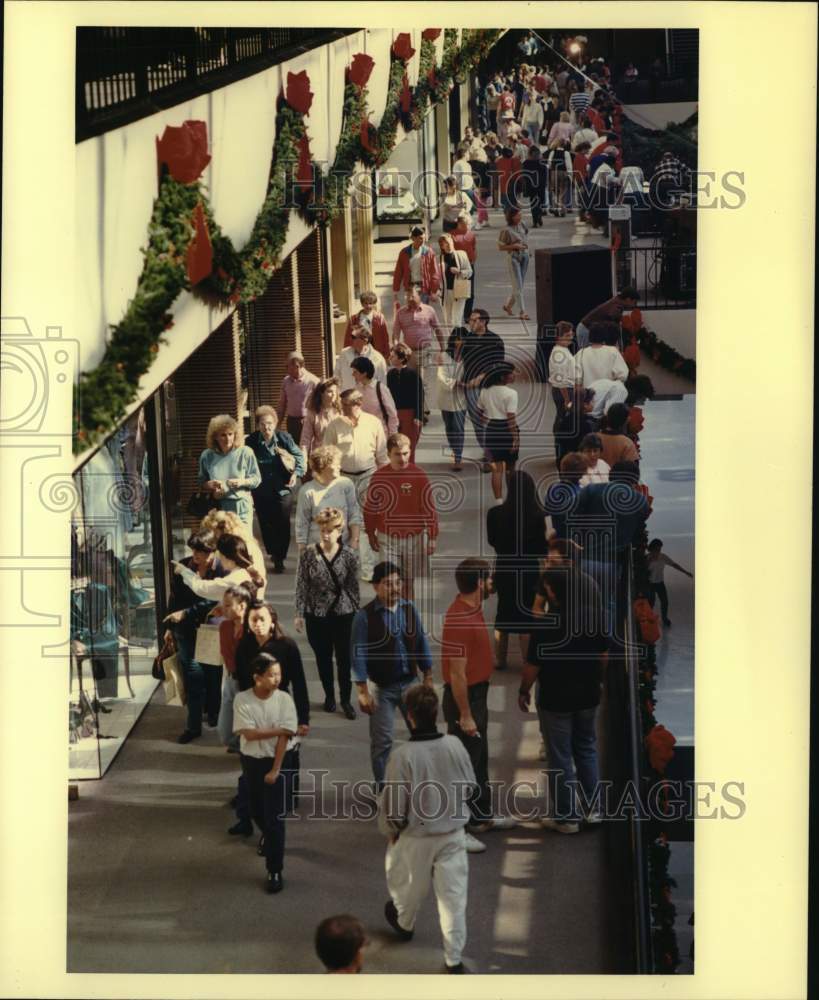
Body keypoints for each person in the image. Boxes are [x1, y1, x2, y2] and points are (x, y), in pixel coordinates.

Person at [379, 685, 476, 973]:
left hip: (417, 835)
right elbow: (470, 785)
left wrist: (393, 829)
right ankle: (453, 958)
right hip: (453, 834)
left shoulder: (403, 755)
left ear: (409, 716)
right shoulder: (455, 745)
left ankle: (405, 923)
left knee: (407, 886)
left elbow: (395, 802)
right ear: (436, 713)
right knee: (453, 898)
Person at [519, 566, 608, 832]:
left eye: (547, 589)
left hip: (555, 699)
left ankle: (566, 816)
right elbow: (603, 655)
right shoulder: (595, 618)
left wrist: (524, 690)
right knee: (587, 748)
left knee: (560, 756)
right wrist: (597, 680)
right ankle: (593, 809)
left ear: (554, 592)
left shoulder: (547, 625)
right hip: (588, 695)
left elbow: (533, 666)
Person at [440, 558, 517, 846]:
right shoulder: (460, 619)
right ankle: (456, 831)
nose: (491, 583)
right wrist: (465, 714)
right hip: (466, 698)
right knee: (463, 765)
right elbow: (457, 674)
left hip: (476, 695)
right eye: (487, 579)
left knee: (479, 759)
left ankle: (481, 816)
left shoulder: (472, 607)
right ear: (478, 583)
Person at [350, 561, 434, 787]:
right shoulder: (364, 617)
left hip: (411, 685)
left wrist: (428, 677)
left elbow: (421, 643)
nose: (395, 588)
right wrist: (362, 692)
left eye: (398, 583)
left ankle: (423, 785)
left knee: (423, 735)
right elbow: (357, 656)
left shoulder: (409, 609)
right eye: (389, 584)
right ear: (376, 587)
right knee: (383, 742)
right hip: (381, 688)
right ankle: (383, 790)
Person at [233, 652, 298, 893]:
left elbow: (285, 737)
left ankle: (275, 869)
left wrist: (276, 769)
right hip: (252, 761)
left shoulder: (284, 700)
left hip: (279, 761)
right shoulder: (242, 700)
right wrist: (278, 729)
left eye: (279, 674)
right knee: (254, 810)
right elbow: (247, 734)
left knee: (274, 818)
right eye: (271, 675)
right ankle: (269, 838)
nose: (277, 679)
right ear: (257, 677)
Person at [295, 507, 360, 717]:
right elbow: (301, 584)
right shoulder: (308, 555)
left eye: (330, 530)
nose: (325, 533)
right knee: (323, 658)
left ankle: (346, 700)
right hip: (317, 614)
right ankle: (329, 696)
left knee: (344, 660)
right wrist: (299, 612)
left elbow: (353, 587)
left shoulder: (349, 555)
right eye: (322, 529)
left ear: (339, 530)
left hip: (344, 613)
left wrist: (357, 613)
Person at [163, 532, 223, 744]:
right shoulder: (183, 566)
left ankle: (215, 712)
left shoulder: (221, 569)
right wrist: (170, 626)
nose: (196, 556)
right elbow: (175, 598)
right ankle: (193, 725)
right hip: (185, 629)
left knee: (214, 673)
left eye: (202, 551)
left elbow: (215, 601)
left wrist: (187, 612)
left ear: (212, 551)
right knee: (193, 675)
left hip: (211, 628)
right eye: (194, 550)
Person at [363, 433, 439, 602]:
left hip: (414, 538)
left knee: (407, 583)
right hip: (387, 538)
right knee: (390, 581)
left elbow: (429, 507)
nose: (402, 458)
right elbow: (370, 508)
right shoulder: (379, 477)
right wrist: (370, 533)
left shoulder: (419, 475)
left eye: (405, 453)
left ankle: (407, 618)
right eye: (397, 454)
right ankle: (390, 617)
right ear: (388, 454)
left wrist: (432, 536)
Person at [323, 389, 389, 581]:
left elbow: (382, 455)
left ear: (358, 404)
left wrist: (384, 480)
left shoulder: (373, 423)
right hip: (343, 478)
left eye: (346, 405)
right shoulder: (334, 425)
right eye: (341, 405)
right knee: (341, 523)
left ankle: (367, 569)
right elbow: (327, 454)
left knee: (365, 522)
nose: (342, 408)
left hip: (368, 475)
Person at [487, 471, 549, 670]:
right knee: (526, 618)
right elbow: (542, 548)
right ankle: (527, 661)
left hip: (504, 567)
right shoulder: (538, 515)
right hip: (530, 570)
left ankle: (500, 659)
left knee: (503, 612)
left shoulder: (495, 514)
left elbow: (492, 541)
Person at [245, 406, 306, 574]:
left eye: (270, 424)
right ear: (257, 425)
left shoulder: (284, 438)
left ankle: (280, 556)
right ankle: (273, 551)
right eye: (263, 424)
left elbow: (299, 456)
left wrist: (297, 473)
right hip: (261, 489)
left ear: (275, 423)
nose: (267, 428)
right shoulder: (251, 441)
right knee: (266, 522)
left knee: (282, 521)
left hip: (282, 488)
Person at [197, 414, 261, 531]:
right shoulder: (207, 456)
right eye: (223, 435)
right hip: (218, 507)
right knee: (222, 544)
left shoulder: (245, 452)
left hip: (241, 505)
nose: (228, 439)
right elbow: (201, 482)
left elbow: (257, 479)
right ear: (215, 437)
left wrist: (241, 482)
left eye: (230, 434)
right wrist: (209, 485)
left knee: (243, 543)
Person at [461, 308, 506, 470]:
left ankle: (491, 456)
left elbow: (498, 365)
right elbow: (460, 361)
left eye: (474, 320)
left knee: (490, 421)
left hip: (489, 387)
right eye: (470, 320)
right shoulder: (467, 339)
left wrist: (481, 377)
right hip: (470, 387)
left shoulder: (495, 340)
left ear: (483, 322)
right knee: (477, 422)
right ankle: (488, 451)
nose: (471, 323)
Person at [294, 444, 362, 552]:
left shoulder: (346, 484)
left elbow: (354, 514)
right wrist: (303, 551)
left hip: (343, 548)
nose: (340, 467)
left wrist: (354, 541)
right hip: (316, 549)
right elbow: (302, 523)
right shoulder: (307, 491)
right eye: (336, 464)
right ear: (323, 466)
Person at [392, 283, 444, 416]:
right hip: (409, 354)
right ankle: (419, 407)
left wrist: (443, 349)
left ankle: (422, 410)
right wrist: (396, 348)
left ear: (419, 296)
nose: (409, 298)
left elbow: (438, 329)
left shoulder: (429, 310)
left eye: (412, 295)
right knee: (412, 381)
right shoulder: (401, 313)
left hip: (425, 351)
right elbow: (396, 333)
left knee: (424, 382)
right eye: (407, 295)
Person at [217, 584, 255, 762]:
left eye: (227, 605)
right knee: (224, 732)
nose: (223, 609)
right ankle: (240, 747)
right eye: (223, 605)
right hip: (231, 681)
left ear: (242, 606)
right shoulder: (224, 627)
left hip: (249, 684)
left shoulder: (253, 629)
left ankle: (249, 757)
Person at [173, 532, 265, 604]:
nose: (219, 559)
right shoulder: (242, 573)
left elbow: (201, 588)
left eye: (220, 555)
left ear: (227, 557)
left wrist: (184, 571)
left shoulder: (234, 578)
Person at [479, 361, 520, 501]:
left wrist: (488, 417)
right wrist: (515, 438)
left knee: (496, 470)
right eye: (512, 373)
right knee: (510, 467)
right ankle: (512, 499)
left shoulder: (485, 391)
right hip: (507, 430)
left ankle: (498, 501)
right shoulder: (511, 393)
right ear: (503, 377)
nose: (515, 375)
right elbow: (511, 419)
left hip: (492, 429)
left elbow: (481, 413)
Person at [387, 343, 424, 463]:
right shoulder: (390, 375)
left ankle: (410, 469)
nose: (390, 358)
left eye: (393, 356)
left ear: (402, 358)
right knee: (395, 443)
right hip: (394, 413)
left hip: (409, 414)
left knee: (409, 444)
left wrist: (418, 416)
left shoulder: (413, 375)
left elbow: (419, 396)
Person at [437, 329, 468, 471]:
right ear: (453, 340)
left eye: (463, 339)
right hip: (445, 398)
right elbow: (441, 376)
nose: (460, 342)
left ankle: (458, 456)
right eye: (458, 339)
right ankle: (454, 450)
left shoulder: (469, 357)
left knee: (458, 428)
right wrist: (457, 383)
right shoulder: (444, 356)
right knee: (449, 428)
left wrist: (466, 384)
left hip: (460, 398)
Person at [646, 538, 693, 627]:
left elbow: (674, 565)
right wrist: (649, 561)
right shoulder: (647, 558)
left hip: (660, 583)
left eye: (660, 549)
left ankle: (664, 618)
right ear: (652, 549)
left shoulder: (663, 557)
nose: (659, 551)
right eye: (657, 549)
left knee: (665, 601)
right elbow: (643, 570)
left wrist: (686, 572)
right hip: (650, 584)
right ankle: (649, 619)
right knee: (651, 602)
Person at [276, 351, 319, 444]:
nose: (286, 369)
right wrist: (278, 423)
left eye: (287, 366)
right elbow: (282, 404)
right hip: (292, 422)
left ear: (297, 366)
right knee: (294, 450)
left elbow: (321, 404)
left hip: (307, 421)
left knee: (308, 449)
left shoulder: (313, 381)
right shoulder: (286, 381)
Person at [350, 355, 399, 436]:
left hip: (381, 434)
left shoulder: (381, 389)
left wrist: (393, 435)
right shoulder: (356, 389)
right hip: (363, 433)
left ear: (364, 373)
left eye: (355, 372)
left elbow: (392, 414)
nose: (352, 374)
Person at [391, 226, 440, 307]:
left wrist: (434, 290)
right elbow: (398, 272)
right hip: (410, 288)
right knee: (411, 312)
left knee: (422, 313)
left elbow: (434, 272)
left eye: (424, 238)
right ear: (413, 238)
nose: (423, 240)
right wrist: (395, 291)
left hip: (424, 288)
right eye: (420, 238)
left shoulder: (429, 252)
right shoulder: (404, 253)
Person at [436, 233, 473, 335]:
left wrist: (459, 272)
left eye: (449, 242)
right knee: (448, 319)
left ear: (452, 241)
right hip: (445, 293)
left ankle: (458, 340)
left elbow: (470, 272)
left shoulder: (461, 254)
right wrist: (437, 290)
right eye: (445, 244)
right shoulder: (438, 258)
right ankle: (452, 341)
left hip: (460, 290)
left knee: (456, 319)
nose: (448, 245)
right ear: (442, 246)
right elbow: (435, 277)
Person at [497, 206, 530, 321]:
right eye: (518, 215)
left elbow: (526, 236)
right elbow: (500, 247)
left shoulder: (523, 225)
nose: (520, 217)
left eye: (520, 214)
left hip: (525, 256)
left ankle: (508, 306)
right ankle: (523, 311)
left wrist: (526, 249)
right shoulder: (506, 230)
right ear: (511, 217)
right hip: (514, 258)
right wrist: (514, 246)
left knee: (519, 286)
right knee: (518, 286)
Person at [574, 322, 629, 387]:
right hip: (610, 393)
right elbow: (623, 374)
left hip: (588, 394)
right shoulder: (613, 351)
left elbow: (575, 378)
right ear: (605, 336)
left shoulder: (581, 353)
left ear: (589, 337)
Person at [334, 327, 387, 392]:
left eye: (353, 337)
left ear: (365, 340)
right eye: (350, 336)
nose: (350, 339)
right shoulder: (344, 353)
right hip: (347, 397)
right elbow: (336, 375)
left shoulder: (378, 359)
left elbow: (382, 384)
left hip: (369, 398)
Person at [300, 376, 342, 457]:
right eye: (329, 391)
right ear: (321, 393)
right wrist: (303, 459)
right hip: (320, 456)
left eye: (335, 391)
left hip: (338, 455)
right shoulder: (312, 413)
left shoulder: (341, 411)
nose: (333, 394)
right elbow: (305, 439)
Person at [343, 291, 391, 358]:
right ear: (362, 304)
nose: (368, 306)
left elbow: (385, 337)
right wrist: (346, 354)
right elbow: (348, 338)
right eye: (366, 303)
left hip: (376, 350)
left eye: (371, 303)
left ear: (374, 304)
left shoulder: (380, 318)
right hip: (359, 351)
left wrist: (387, 354)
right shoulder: (353, 319)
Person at [597, 403, 640, 469]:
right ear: (626, 420)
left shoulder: (594, 438)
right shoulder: (627, 443)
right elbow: (633, 469)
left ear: (607, 417)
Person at [451, 213, 478, 318]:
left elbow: (474, 249)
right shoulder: (452, 235)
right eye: (466, 223)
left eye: (468, 223)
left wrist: (473, 261)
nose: (468, 225)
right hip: (457, 267)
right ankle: (457, 314)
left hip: (470, 266)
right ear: (459, 224)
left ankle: (467, 315)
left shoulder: (471, 235)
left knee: (470, 293)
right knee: (458, 292)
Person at [521, 145, 548, 227]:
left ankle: (535, 220)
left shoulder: (526, 163)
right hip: (540, 186)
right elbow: (545, 175)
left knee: (533, 203)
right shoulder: (542, 163)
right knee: (539, 202)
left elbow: (524, 175)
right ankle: (539, 216)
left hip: (530, 185)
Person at [546, 139, 573, 216]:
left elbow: (549, 163)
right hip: (563, 172)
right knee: (563, 192)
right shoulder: (566, 153)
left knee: (555, 191)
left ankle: (555, 208)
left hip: (554, 172)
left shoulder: (552, 152)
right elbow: (569, 165)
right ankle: (562, 210)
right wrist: (570, 175)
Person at [494, 144, 521, 212]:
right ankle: (513, 218)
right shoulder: (516, 160)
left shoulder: (499, 161)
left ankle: (508, 217)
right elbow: (519, 173)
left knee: (506, 205)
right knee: (513, 203)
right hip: (513, 184)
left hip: (503, 186)